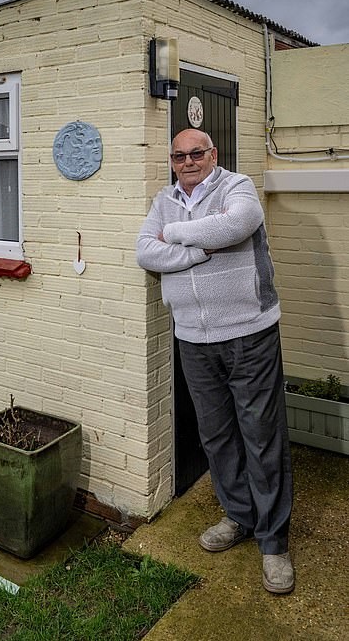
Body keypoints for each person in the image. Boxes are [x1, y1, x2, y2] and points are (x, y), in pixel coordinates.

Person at [136, 129, 294, 595]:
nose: (188, 161)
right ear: (171, 160)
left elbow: (237, 224)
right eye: (179, 155)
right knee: (217, 435)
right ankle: (239, 515)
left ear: (213, 154)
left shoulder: (236, 187)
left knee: (262, 435)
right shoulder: (163, 199)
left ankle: (273, 541)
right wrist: (200, 250)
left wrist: (177, 237)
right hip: (192, 339)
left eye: (196, 153)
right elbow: (145, 251)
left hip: (250, 333)